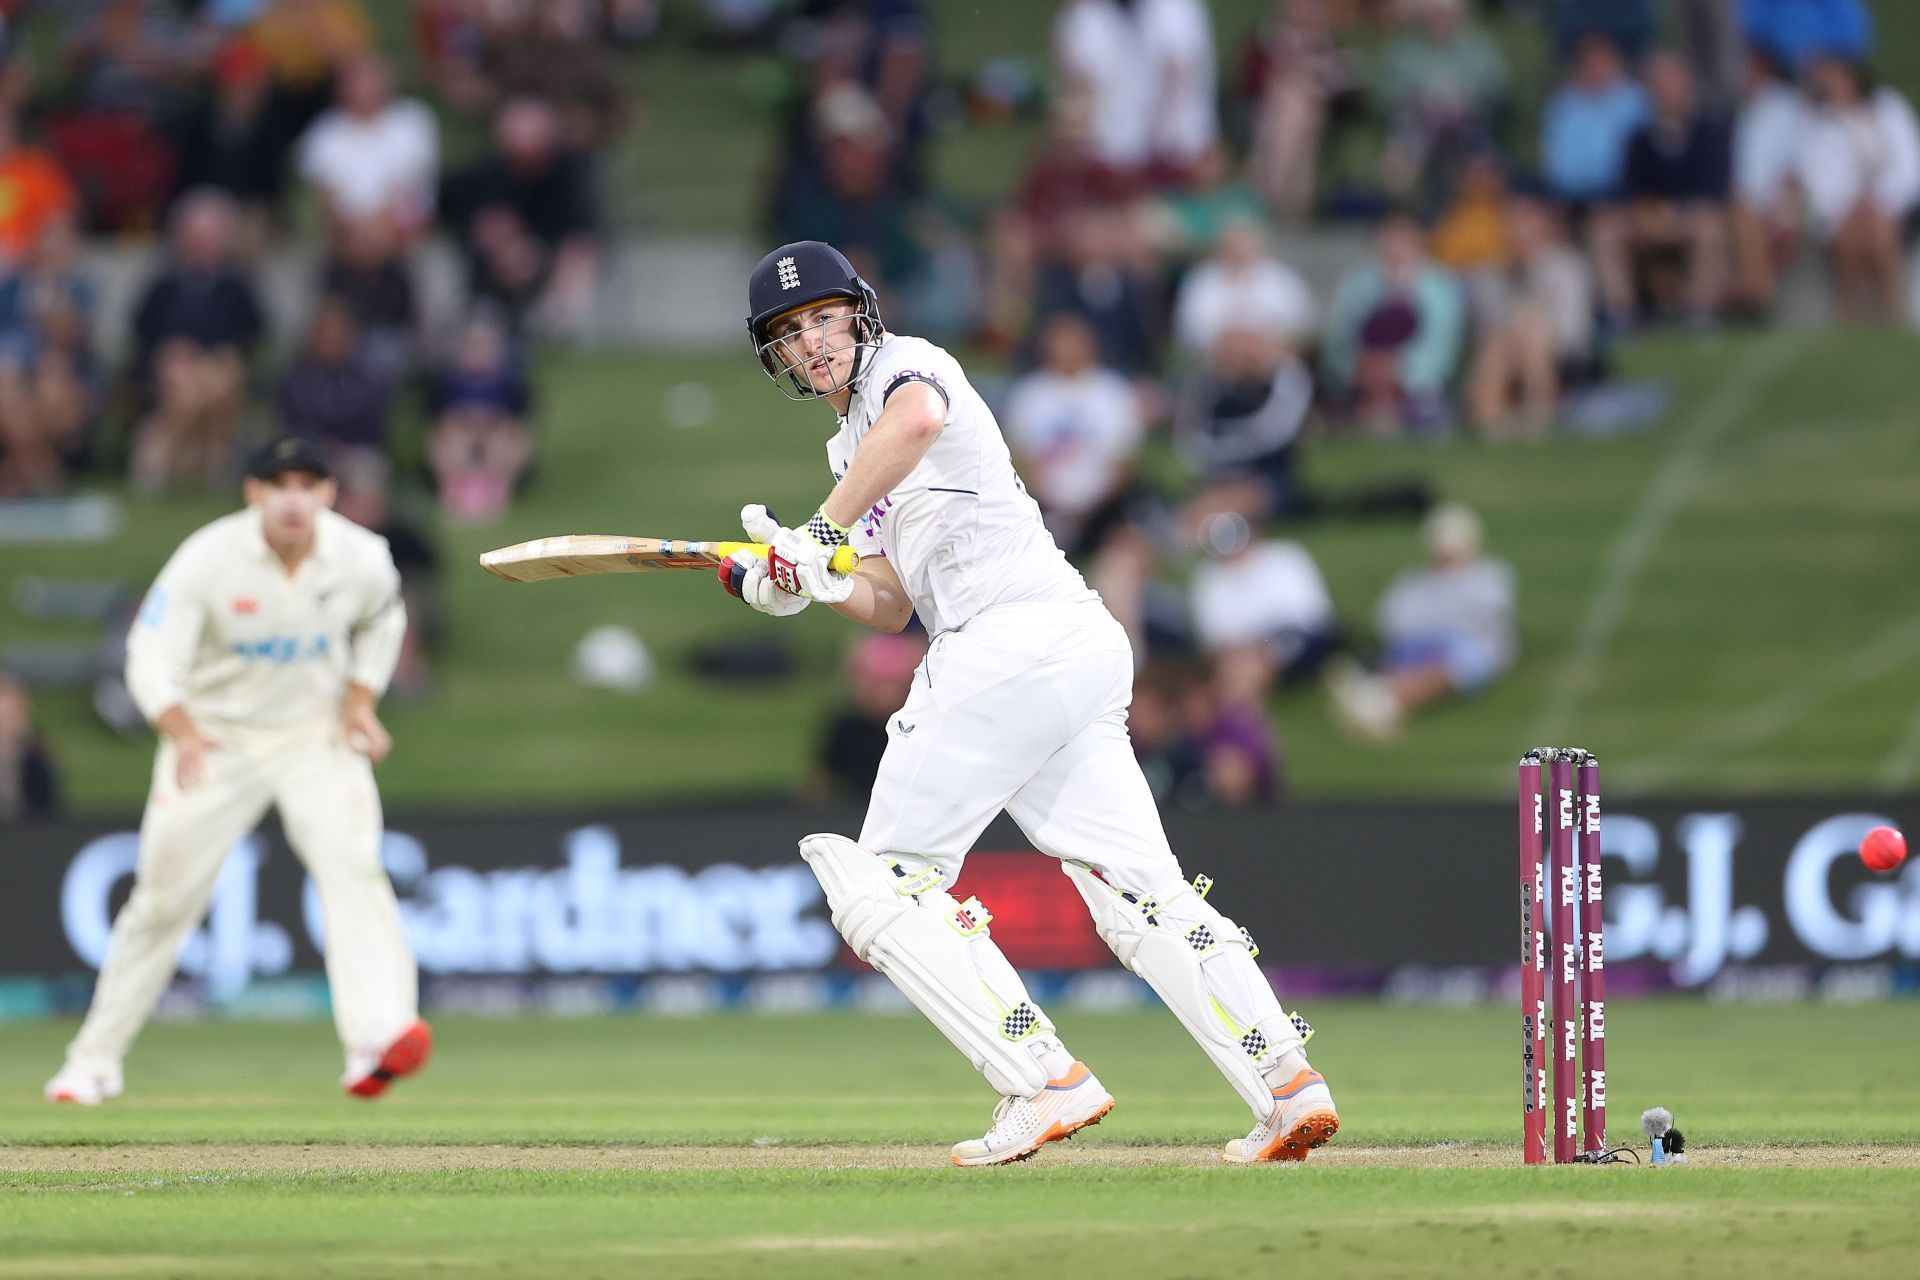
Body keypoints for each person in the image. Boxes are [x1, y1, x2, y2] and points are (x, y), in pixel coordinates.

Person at [716, 240, 1337, 1167]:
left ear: (861, 311)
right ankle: (1285, 1084)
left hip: (1003, 644)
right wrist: (811, 579)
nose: (812, 343)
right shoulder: (852, 447)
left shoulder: (908, 368)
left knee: (882, 882)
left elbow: (919, 420)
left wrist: (817, 534)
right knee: (1140, 896)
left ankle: (1040, 1076)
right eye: (790, 333)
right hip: (1066, 647)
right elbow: (889, 603)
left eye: (823, 318)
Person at [44, 437, 429, 1107]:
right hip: (215, 740)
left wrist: (361, 698)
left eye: (308, 485)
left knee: (355, 868)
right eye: (278, 485)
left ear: (327, 496)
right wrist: (180, 730)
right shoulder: (208, 559)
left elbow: (384, 619)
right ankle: (93, 1061)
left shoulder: (361, 557)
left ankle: (376, 1036)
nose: (293, 499)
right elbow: (150, 654)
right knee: (162, 903)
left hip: (316, 735)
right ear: (253, 494)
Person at [1327, 502, 1515, 740]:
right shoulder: (1411, 583)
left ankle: (1383, 701)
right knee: (1402, 656)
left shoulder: (1490, 576)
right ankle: (1376, 695)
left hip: (1462, 646)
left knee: (1451, 664)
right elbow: (1391, 625)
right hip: (1415, 644)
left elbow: (1489, 622)